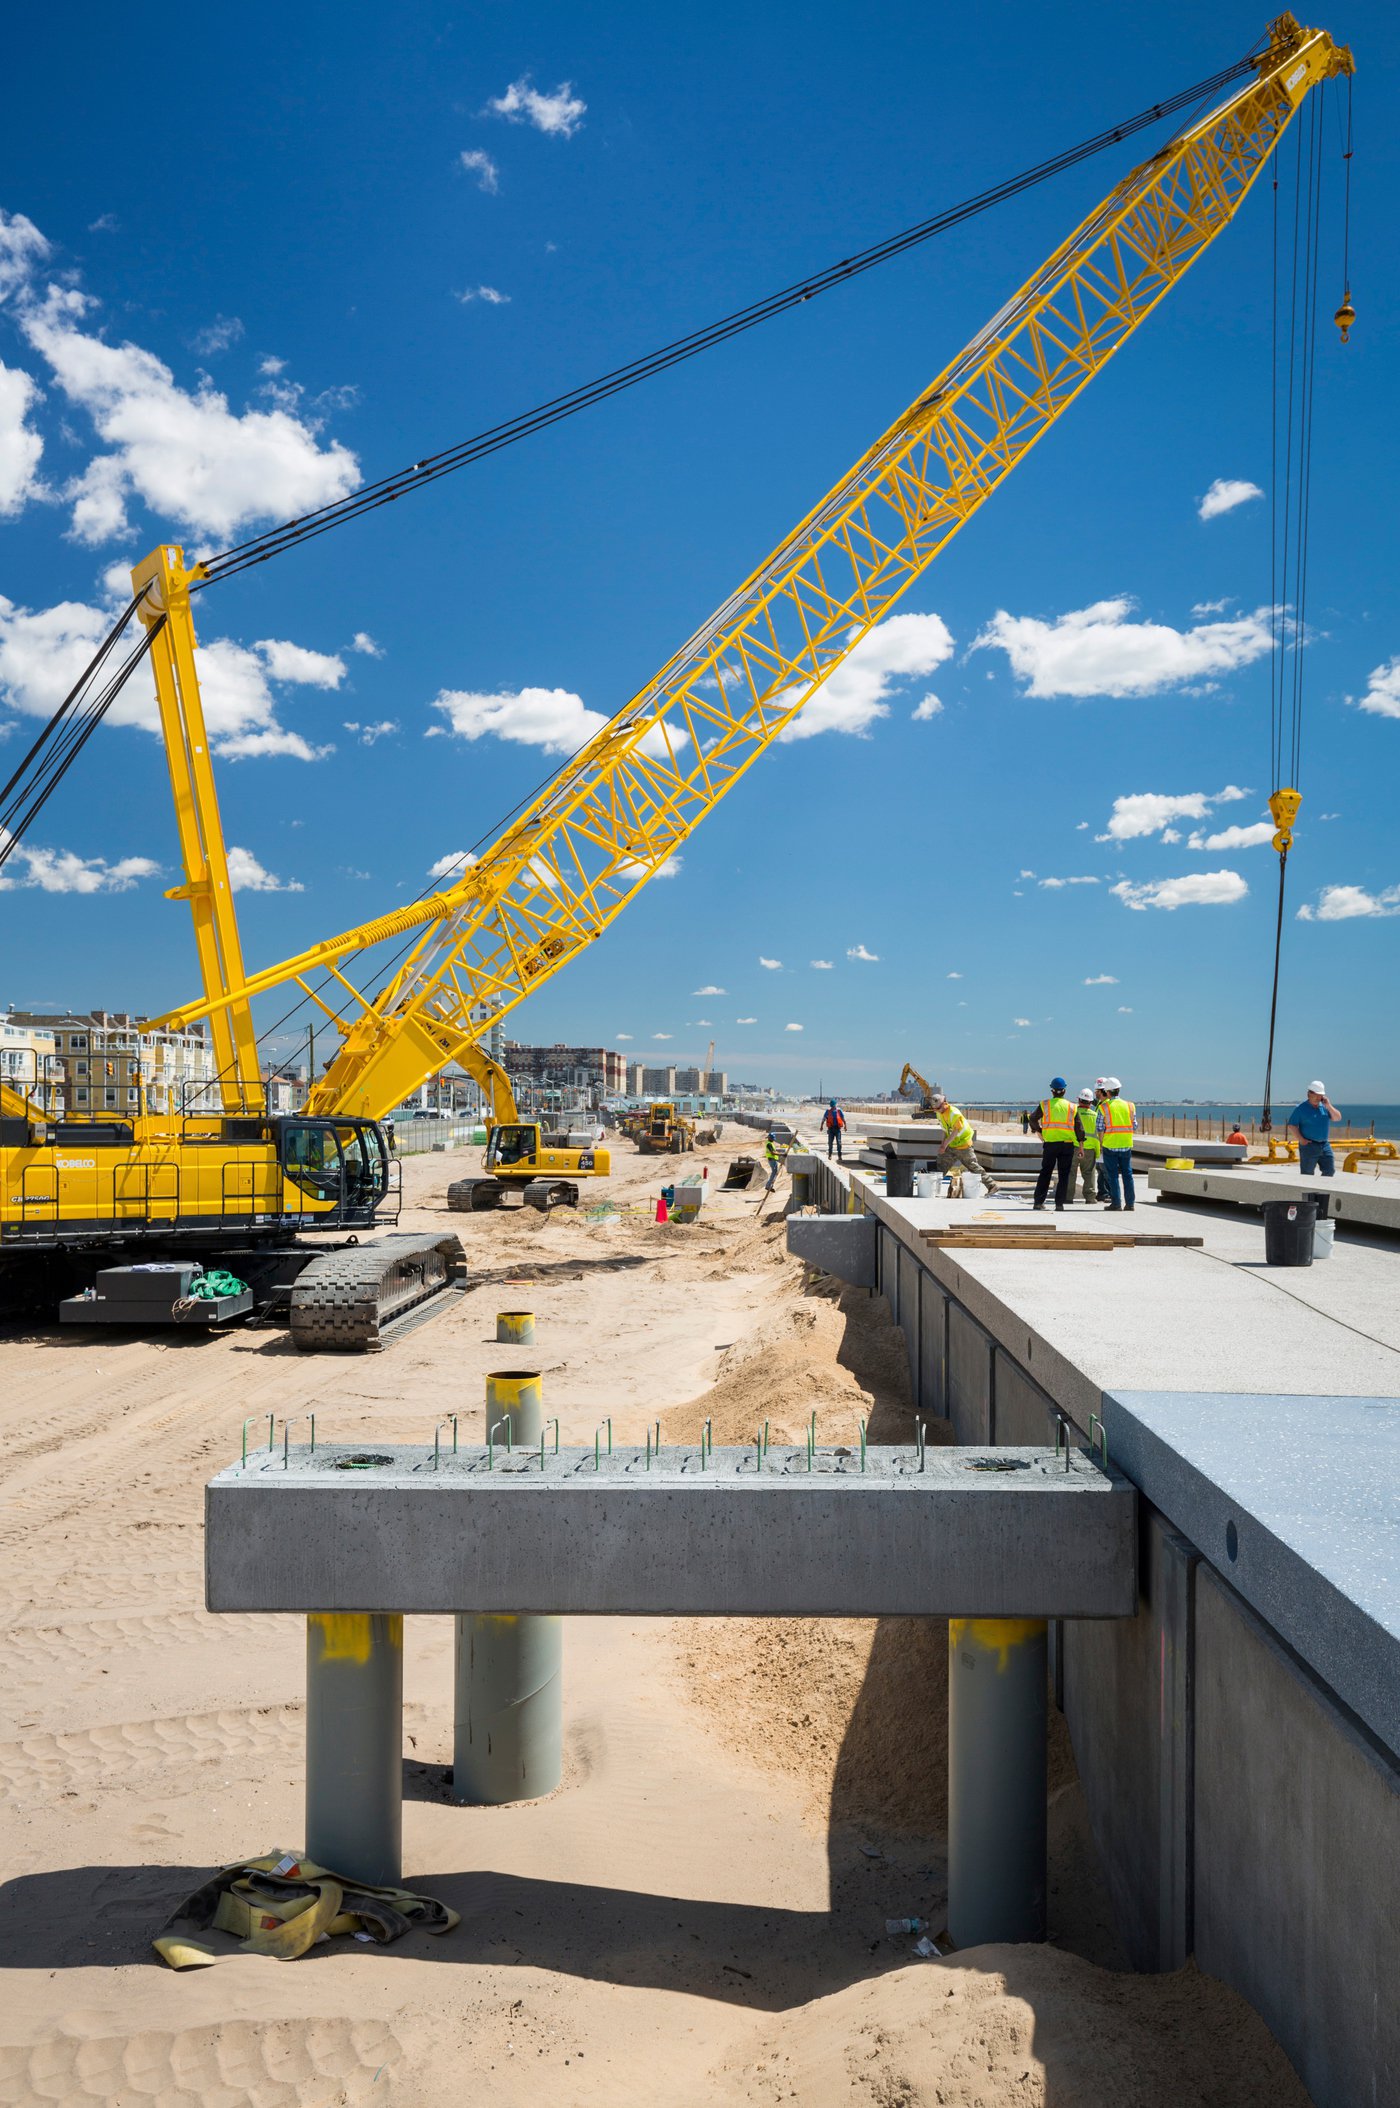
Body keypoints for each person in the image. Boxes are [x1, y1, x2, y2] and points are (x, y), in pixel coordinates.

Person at [930, 1093, 998, 1194]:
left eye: (938, 1108)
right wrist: (942, 1145)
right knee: (940, 1165)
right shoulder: (939, 1113)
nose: (937, 1110)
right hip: (952, 1145)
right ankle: (932, 1189)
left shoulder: (954, 1113)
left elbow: (955, 1131)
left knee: (973, 1166)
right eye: (935, 1109)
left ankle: (992, 1186)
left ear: (944, 1103)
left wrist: (945, 1145)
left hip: (964, 1146)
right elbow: (945, 1130)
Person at [1032, 1077, 1076, 1211]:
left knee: (1045, 1172)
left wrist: (1040, 1130)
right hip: (1067, 1144)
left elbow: (1033, 1118)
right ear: (1064, 1091)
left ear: (1052, 1091)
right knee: (1064, 1175)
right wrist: (1080, 1143)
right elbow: (1079, 1127)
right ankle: (1059, 1204)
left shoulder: (1045, 1104)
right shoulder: (1072, 1106)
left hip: (1050, 1144)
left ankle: (1038, 1202)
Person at [1286, 1080, 1342, 1177]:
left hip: (1324, 1145)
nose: (1317, 1098)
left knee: (1330, 1171)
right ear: (1309, 1094)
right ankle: (1308, 1192)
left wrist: (1328, 1105)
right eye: (1315, 1095)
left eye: (1320, 1095)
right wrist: (1301, 1139)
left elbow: (1337, 1118)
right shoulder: (1301, 1108)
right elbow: (1292, 1125)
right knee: (1307, 1174)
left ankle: (1322, 1190)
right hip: (1309, 1146)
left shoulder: (1325, 1107)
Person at [1100, 1077, 1136, 1210]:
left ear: (1107, 1092)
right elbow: (1134, 1125)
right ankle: (1130, 1204)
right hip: (1126, 1144)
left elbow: (1099, 1127)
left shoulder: (1104, 1107)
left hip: (1110, 1145)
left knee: (1113, 1175)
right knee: (1128, 1174)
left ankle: (1116, 1203)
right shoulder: (1130, 1106)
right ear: (1118, 1090)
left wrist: (1101, 1143)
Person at [1071, 1088, 1099, 1205]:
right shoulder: (1095, 1115)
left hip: (1073, 1147)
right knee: (1089, 1174)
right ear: (1091, 1102)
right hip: (1090, 1149)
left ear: (1079, 1100)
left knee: (1070, 1173)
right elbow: (1098, 1135)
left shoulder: (1073, 1114)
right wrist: (1097, 1151)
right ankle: (1090, 1198)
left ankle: (1067, 1197)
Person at [763, 1128, 785, 1193]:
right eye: (773, 1139)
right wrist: (782, 1154)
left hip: (773, 1159)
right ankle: (768, 1186)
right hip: (772, 1160)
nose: (773, 1140)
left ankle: (770, 1185)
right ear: (770, 1138)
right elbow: (773, 1152)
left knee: (774, 1172)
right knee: (774, 1172)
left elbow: (774, 1151)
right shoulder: (769, 1144)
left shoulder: (770, 1143)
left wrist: (780, 1154)